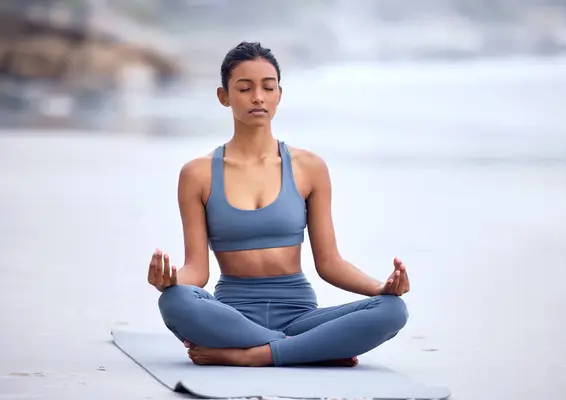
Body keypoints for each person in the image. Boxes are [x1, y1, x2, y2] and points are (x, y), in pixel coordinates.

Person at [147, 41, 410, 368]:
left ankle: (256, 355)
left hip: (300, 316)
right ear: (223, 96)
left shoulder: (309, 167)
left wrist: (381, 287)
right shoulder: (197, 174)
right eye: (244, 88)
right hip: (232, 318)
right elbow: (197, 271)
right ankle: (311, 350)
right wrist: (170, 282)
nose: (258, 96)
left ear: (279, 95)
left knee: (392, 309)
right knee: (175, 301)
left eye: (267, 87)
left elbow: (329, 262)